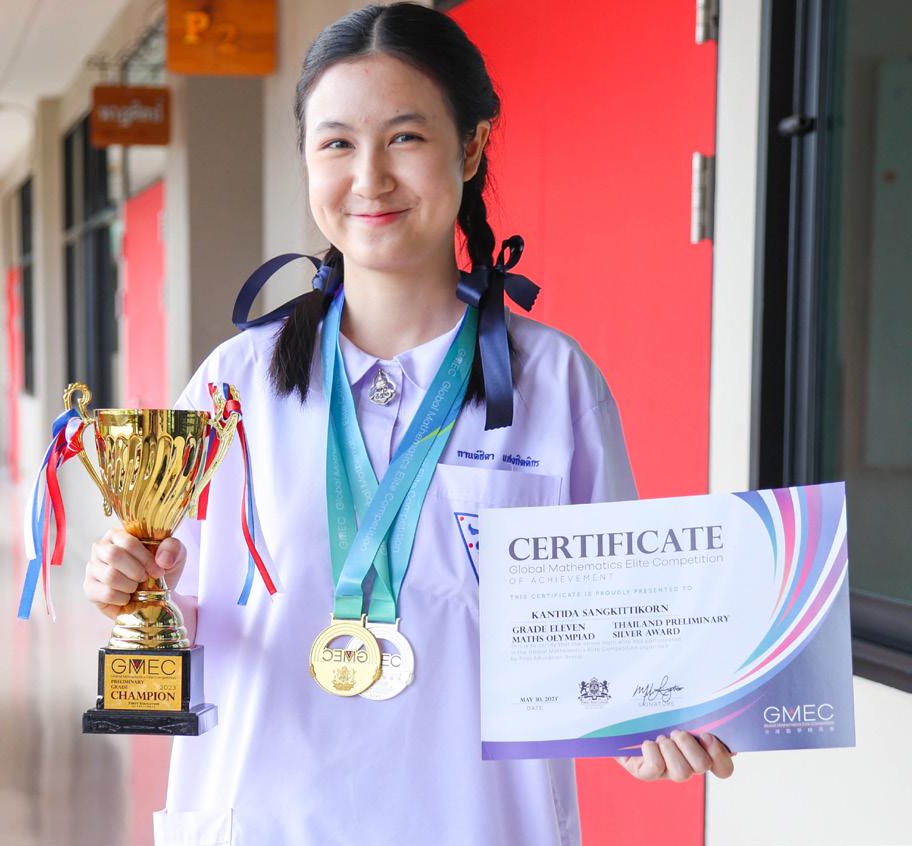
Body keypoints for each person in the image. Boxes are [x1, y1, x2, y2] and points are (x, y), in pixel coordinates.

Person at [83, 4, 734, 844]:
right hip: (270, 820)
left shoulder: (552, 382)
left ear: (471, 147)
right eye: (337, 143)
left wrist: (650, 726)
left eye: (405, 137)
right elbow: (187, 614)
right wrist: (134, 588)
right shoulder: (232, 386)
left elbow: (614, 639)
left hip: (480, 823)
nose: (370, 178)